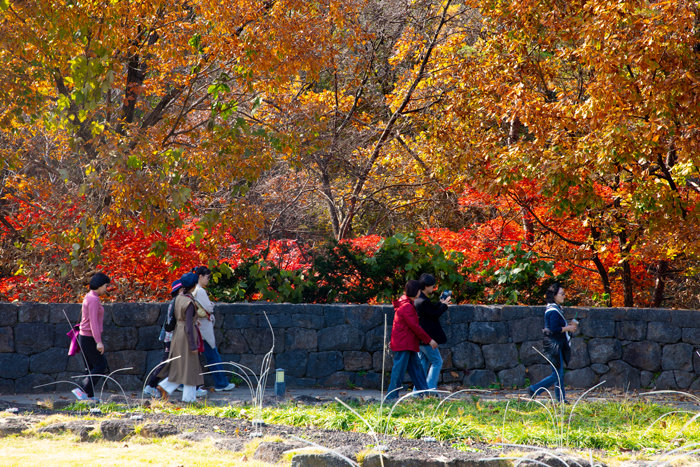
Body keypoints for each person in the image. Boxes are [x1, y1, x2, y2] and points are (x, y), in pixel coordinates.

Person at [143, 279, 206, 398]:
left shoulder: (178, 299)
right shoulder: (188, 302)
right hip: (185, 335)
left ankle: (168, 387)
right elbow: (188, 324)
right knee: (188, 366)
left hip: (178, 333)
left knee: (183, 366)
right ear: (192, 287)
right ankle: (185, 396)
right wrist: (193, 344)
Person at [385, 279, 438, 400]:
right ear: (417, 291)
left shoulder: (404, 304)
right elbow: (415, 326)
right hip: (405, 344)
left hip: (406, 343)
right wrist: (429, 340)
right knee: (399, 371)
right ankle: (391, 397)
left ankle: (424, 394)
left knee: (417, 370)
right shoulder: (407, 307)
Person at [527, 282, 578, 403]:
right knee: (556, 374)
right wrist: (569, 328)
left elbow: (556, 327)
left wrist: (568, 326)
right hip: (554, 344)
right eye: (561, 294)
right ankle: (534, 389)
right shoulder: (553, 311)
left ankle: (561, 399)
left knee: (559, 374)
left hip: (555, 344)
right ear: (554, 295)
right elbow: (554, 329)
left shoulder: (555, 309)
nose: (564, 296)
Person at [192, 265, 235, 392]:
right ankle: (221, 383)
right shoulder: (200, 291)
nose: (208, 280)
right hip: (204, 328)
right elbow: (209, 308)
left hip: (197, 327)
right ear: (200, 276)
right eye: (207, 277)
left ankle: (183, 384)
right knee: (213, 356)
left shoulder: (193, 290)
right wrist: (211, 305)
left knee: (195, 358)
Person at [72, 272, 111, 401]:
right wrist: (98, 342)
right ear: (100, 285)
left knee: (91, 368)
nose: (106, 288)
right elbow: (93, 322)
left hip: (85, 336)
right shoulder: (93, 299)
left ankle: (89, 396)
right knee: (101, 365)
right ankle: (81, 389)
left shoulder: (89, 296)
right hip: (89, 337)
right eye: (105, 285)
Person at [415, 273, 451, 391]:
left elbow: (430, 311)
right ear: (426, 286)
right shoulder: (423, 301)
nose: (433, 288)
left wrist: (441, 303)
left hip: (421, 338)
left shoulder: (419, 299)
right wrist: (444, 306)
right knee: (437, 362)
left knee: (423, 363)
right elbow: (434, 315)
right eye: (431, 286)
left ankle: (418, 391)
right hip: (427, 338)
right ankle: (430, 389)